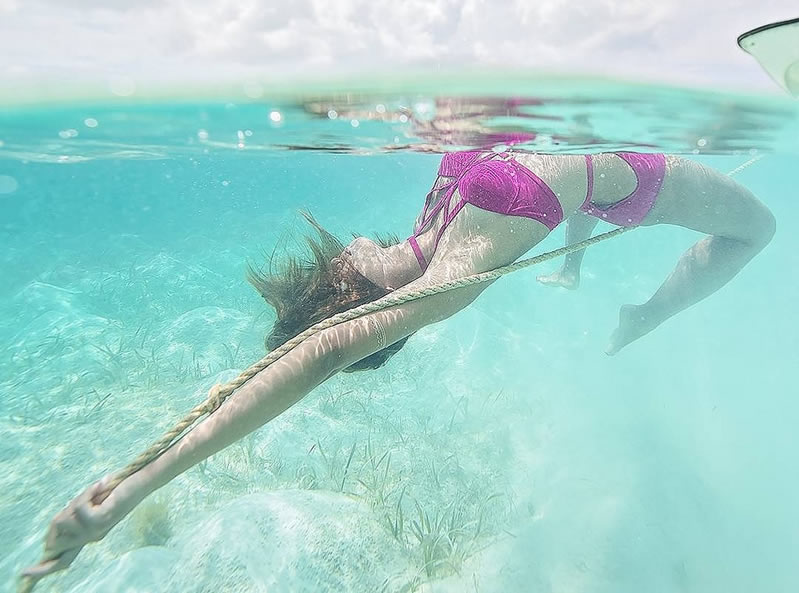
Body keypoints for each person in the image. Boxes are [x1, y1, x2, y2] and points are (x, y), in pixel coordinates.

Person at [21, 148, 775, 586]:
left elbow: (322, 347)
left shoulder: (437, 254)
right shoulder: (438, 258)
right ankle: (642, 312)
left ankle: (603, 288)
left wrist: (120, 497)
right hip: (625, 181)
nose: (342, 246)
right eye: (335, 269)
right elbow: (319, 349)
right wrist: (126, 491)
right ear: (348, 291)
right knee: (749, 226)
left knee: (687, 216)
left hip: (593, 176)